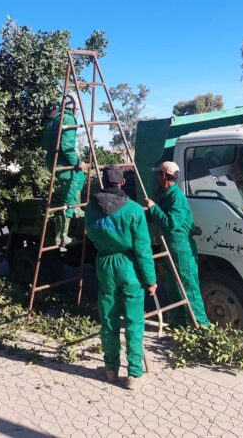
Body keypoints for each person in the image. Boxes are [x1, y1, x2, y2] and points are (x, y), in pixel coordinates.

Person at [85, 165, 157, 389]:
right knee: (134, 320)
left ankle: (110, 370)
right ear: (123, 183)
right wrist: (151, 280)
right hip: (129, 267)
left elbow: (89, 234)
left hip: (105, 265)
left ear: (103, 183)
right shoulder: (134, 210)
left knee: (108, 319)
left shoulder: (90, 209)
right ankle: (133, 374)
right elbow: (143, 249)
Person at [145, 161, 210, 327]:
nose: (157, 178)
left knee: (189, 289)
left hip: (182, 250)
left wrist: (153, 208)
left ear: (163, 176)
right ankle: (178, 324)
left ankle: (202, 327)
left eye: (158, 174)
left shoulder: (176, 197)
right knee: (173, 288)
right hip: (170, 248)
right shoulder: (167, 194)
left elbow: (171, 223)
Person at [40, 93, 87, 245]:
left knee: (77, 180)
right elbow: (67, 146)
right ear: (73, 108)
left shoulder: (53, 118)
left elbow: (45, 143)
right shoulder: (68, 118)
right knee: (73, 187)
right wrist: (77, 162)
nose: (77, 112)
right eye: (77, 110)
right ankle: (62, 236)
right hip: (61, 162)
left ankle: (76, 209)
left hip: (52, 160)